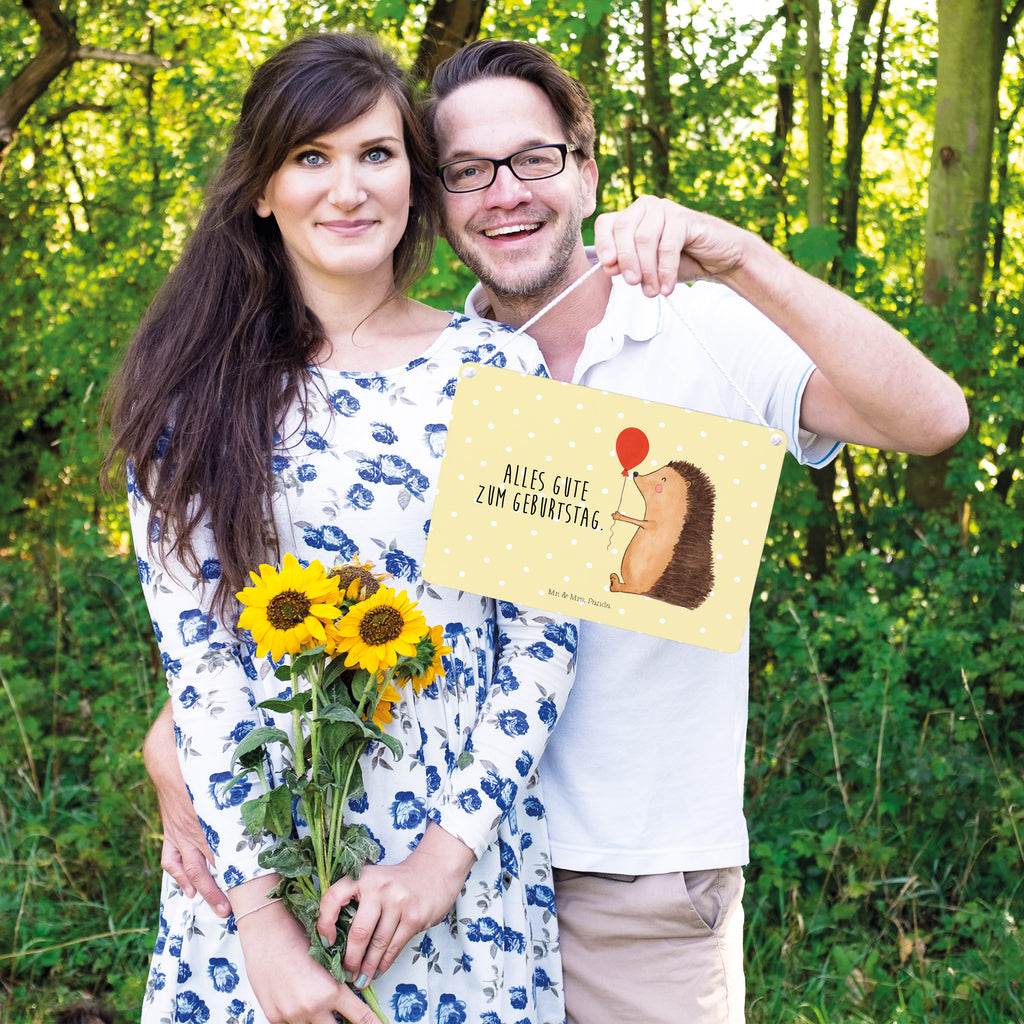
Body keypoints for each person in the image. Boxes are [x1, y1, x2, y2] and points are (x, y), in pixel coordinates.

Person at [142, 36, 970, 1024]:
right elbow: (258, 620)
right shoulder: (379, 372)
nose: (503, 192)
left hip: (613, 877)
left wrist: (741, 255)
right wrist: (187, 757)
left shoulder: (663, 330)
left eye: (532, 159)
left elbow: (931, 421)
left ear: (585, 169)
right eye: (467, 171)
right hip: (352, 867)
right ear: (437, 199)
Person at [106, 32, 576, 1024]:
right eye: (310, 158)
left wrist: (442, 860)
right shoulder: (189, 398)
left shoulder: (504, 372)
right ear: (262, 189)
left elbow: (541, 642)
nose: (348, 188)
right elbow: (203, 670)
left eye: (376, 153)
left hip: (454, 884)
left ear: (414, 178)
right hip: (251, 886)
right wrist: (262, 927)